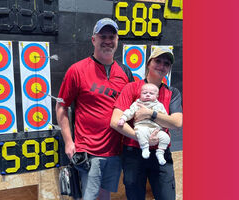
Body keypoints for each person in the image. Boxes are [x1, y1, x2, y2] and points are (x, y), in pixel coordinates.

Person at [56, 18, 133, 200]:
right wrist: (68, 141)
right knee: (89, 197)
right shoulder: (77, 70)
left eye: (111, 36)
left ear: (117, 40)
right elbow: (61, 106)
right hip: (89, 151)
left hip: (114, 151)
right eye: (102, 36)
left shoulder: (125, 72)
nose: (107, 40)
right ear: (93, 40)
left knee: (105, 196)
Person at [110, 46, 183, 200]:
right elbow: (115, 121)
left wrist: (150, 113)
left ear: (169, 68)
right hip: (133, 153)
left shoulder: (172, 93)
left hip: (161, 153)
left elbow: (177, 123)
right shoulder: (131, 88)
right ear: (149, 63)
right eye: (158, 61)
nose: (162, 66)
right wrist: (141, 138)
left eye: (166, 63)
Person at [117, 83, 170, 165]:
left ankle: (160, 152)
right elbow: (129, 112)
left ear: (157, 96)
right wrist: (123, 118)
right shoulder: (137, 104)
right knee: (141, 133)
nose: (148, 95)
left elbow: (165, 118)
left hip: (156, 129)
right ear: (140, 94)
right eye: (145, 93)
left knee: (166, 137)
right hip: (142, 126)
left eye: (151, 93)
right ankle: (145, 148)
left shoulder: (159, 105)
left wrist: (163, 128)